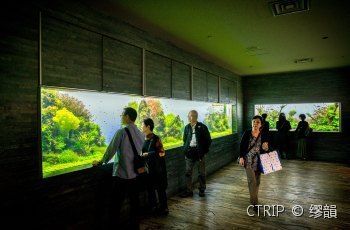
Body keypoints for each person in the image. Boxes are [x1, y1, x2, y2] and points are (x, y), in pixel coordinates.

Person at [93, 107, 144, 229]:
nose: (121, 116)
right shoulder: (140, 133)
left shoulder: (121, 132)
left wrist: (101, 161)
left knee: (115, 204)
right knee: (134, 203)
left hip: (122, 174)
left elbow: (111, 150)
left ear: (127, 117)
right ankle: (134, 225)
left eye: (122, 114)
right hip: (135, 175)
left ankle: (113, 225)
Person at [238, 115, 269, 210]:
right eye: (254, 121)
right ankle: (255, 203)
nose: (255, 123)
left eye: (258, 122)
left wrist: (266, 148)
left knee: (257, 181)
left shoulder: (263, 134)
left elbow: (266, 148)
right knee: (252, 181)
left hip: (259, 161)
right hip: (248, 160)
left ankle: (253, 199)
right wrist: (241, 157)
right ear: (252, 123)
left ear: (261, 125)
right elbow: (241, 145)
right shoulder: (247, 133)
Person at [180, 110, 212, 198]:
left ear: (193, 117)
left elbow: (208, 140)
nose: (187, 117)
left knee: (201, 173)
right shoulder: (186, 127)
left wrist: (204, 151)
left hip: (199, 153)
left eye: (189, 116)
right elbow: (185, 139)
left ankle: (202, 190)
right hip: (189, 152)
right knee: (188, 172)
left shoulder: (202, 127)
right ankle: (189, 190)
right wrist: (186, 149)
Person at [141, 118, 169, 215]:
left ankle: (164, 208)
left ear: (148, 126)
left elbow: (162, 153)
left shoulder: (156, 138)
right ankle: (153, 207)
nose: (141, 127)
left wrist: (148, 154)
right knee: (150, 190)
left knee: (160, 189)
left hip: (157, 169)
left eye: (142, 125)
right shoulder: (143, 139)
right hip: (148, 170)